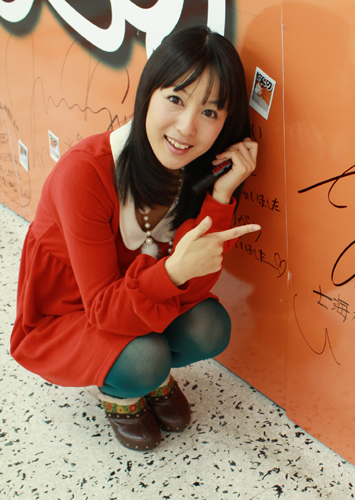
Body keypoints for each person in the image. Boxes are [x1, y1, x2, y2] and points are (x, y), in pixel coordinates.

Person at [10, 26, 260, 451]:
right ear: (148, 93)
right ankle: (122, 390)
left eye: (209, 113)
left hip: (131, 302)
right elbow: (103, 308)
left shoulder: (193, 172)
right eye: (176, 99)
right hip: (71, 313)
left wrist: (220, 196)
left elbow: (192, 291)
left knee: (210, 327)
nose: (187, 128)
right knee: (145, 358)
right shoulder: (84, 173)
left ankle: (146, 368)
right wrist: (172, 272)